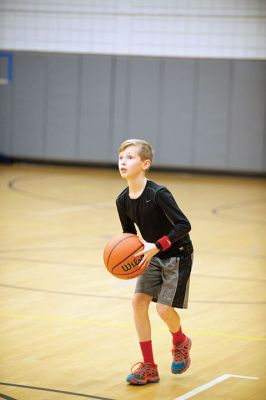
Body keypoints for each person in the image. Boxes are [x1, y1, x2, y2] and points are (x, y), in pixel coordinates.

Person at [116, 139, 194, 385]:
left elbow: (184, 225)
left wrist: (157, 246)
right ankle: (149, 366)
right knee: (138, 303)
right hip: (150, 255)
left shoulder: (158, 194)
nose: (123, 162)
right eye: (121, 158)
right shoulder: (122, 200)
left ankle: (180, 340)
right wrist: (126, 258)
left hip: (177, 254)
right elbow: (129, 235)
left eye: (129, 157)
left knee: (162, 309)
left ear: (145, 164)